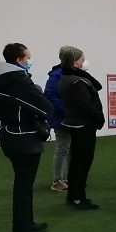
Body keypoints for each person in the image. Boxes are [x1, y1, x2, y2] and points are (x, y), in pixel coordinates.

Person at [0, 43, 53, 232]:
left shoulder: (1, 78)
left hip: (12, 134)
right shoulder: (17, 81)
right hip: (23, 137)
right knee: (23, 187)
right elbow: (46, 108)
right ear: (18, 60)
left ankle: (27, 225)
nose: (29, 61)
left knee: (24, 185)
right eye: (27, 58)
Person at [57, 47, 105, 210]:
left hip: (75, 122)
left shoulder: (67, 76)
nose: (84, 62)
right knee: (82, 162)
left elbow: (95, 87)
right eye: (82, 60)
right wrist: (98, 118)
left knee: (77, 160)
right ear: (74, 62)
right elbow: (85, 105)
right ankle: (77, 197)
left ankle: (75, 195)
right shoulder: (76, 81)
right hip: (82, 125)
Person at [43, 46, 72, 192]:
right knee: (63, 148)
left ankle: (68, 177)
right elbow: (49, 94)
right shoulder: (57, 75)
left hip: (70, 117)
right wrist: (64, 109)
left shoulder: (65, 73)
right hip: (61, 118)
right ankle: (57, 180)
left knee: (69, 148)